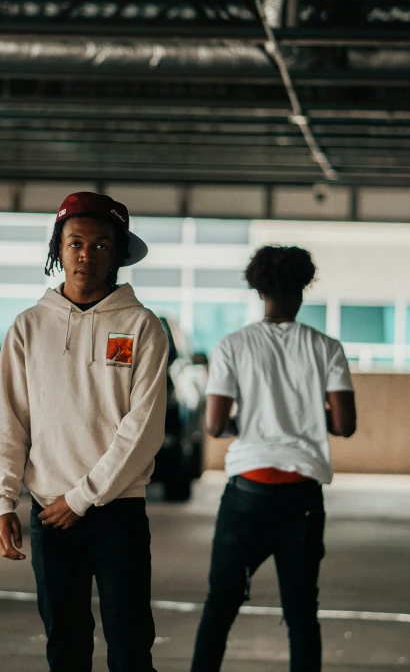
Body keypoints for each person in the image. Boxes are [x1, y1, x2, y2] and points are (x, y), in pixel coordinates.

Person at [0, 191, 169, 672]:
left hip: (118, 512)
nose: (87, 255)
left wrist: (83, 497)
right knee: (65, 648)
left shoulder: (142, 327)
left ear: (118, 254)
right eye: (75, 243)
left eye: (101, 245)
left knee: (130, 649)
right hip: (49, 514)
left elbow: (142, 429)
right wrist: (2, 500)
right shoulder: (27, 328)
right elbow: (8, 420)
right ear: (58, 250)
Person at [190, 245, 356, 672]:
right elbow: (344, 424)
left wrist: (253, 419)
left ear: (258, 289)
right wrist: (302, 417)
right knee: (301, 614)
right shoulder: (327, 348)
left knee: (220, 606)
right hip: (301, 497)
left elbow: (213, 424)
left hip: (247, 492)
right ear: (302, 290)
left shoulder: (232, 345)